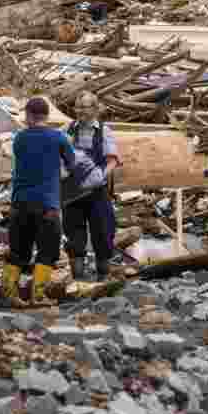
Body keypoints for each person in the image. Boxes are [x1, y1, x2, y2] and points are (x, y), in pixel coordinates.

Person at [3, 97, 94, 307]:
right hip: (47, 206)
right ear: (47, 115)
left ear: (28, 115)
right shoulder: (59, 138)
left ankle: (10, 294)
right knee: (48, 251)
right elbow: (73, 167)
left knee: (18, 251)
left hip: (19, 204)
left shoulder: (19, 138)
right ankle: (38, 295)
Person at [61, 91, 120, 282]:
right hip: (71, 192)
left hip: (96, 191)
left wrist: (99, 176)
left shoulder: (104, 131)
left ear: (95, 109)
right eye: (77, 107)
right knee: (74, 234)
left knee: (103, 231)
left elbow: (112, 161)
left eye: (84, 107)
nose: (80, 111)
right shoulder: (67, 129)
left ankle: (104, 276)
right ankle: (78, 278)